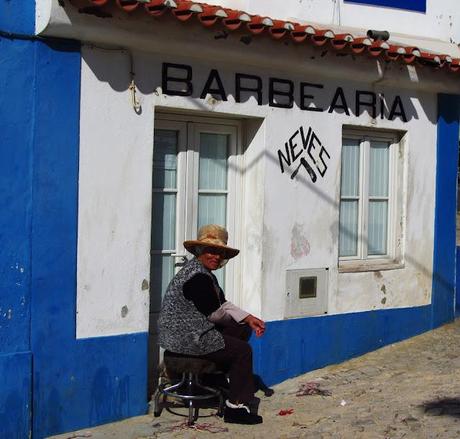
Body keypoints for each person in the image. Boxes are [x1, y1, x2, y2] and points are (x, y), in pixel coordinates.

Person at [158, 224, 265, 425]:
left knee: (241, 327)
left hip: (192, 333)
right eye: (211, 251)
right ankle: (236, 407)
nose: (216, 256)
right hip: (186, 339)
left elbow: (221, 303)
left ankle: (213, 380)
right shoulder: (197, 277)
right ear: (199, 251)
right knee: (243, 351)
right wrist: (237, 318)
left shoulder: (204, 273)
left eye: (220, 253)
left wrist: (248, 318)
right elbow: (215, 314)